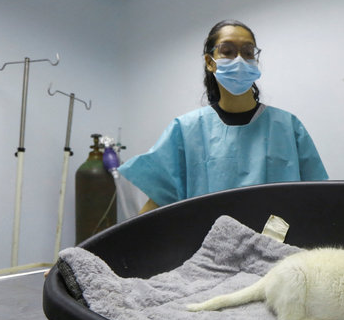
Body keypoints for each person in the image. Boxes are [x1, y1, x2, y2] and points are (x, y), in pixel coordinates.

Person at [119, 19, 328, 214]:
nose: (239, 60)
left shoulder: (287, 127)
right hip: (207, 246)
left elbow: (318, 197)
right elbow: (158, 202)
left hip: (280, 246)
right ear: (210, 62)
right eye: (227, 51)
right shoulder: (186, 130)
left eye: (248, 52)